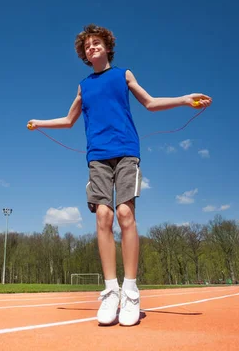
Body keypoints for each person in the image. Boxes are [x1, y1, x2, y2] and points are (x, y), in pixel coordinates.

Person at [27, 24, 212, 326]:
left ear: (107, 47)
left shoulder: (123, 74)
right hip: (97, 156)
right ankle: (110, 290)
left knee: (125, 213)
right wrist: (40, 122)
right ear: (84, 54)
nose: (92, 48)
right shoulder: (83, 86)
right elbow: (69, 120)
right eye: (87, 46)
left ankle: (130, 290)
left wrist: (183, 99)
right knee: (103, 216)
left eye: (97, 43)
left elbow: (150, 103)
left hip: (126, 152)